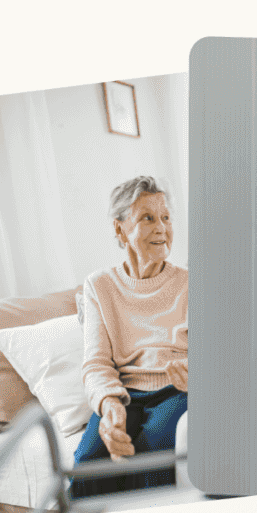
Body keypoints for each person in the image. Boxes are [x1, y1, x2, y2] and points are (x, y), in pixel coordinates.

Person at [75, 173, 188, 465]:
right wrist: (109, 402)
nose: (161, 228)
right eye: (147, 218)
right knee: (88, 460)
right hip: (124, 394)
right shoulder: (99, 286)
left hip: (177, 390)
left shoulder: (191, 282)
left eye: (165, 217)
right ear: (120, 229)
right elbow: (96, 362)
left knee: (153, 448)